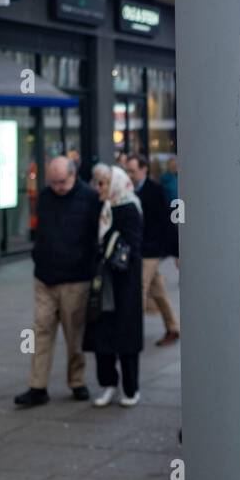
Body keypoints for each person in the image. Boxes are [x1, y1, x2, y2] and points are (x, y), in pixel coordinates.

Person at [15, 155, 101, 407]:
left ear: (73, 175)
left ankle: (77, 381)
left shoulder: (90, 198)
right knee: (39, 331)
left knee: (74, 335)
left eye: (61, 182)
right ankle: (37, 384)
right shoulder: (44, 196)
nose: (57, 187)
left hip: (75, 279)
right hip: (45, 277)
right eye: (53, 182)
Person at [84, 164, 145, 408]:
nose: (99, 187)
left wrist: (109, 242)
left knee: (126, 336)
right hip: (103, 282)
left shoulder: (129, 207)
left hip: (124, 283)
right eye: (98, 183)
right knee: (102, 335)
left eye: (104, 183)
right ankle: (108, 383)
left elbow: (132, 245)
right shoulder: (103, 207)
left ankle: (131, 388)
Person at [126, 153, 180, 345]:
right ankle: (173, 327)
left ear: (144, 169)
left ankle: (131, 334)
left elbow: (167, 220)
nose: (129, 174)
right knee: (158, 291)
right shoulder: (129, 190)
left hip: (151, 249)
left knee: (138, 288)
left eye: (132, 171)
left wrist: (177, 251)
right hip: (140, 247)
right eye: (128, 171)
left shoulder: (155, 190)